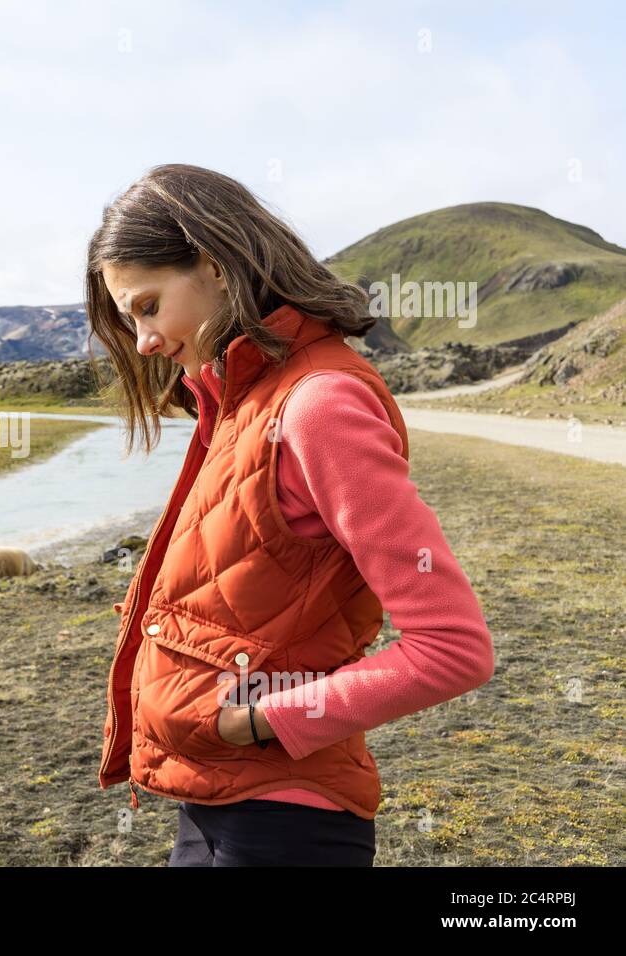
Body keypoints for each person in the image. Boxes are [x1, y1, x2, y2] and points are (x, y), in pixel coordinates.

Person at [89, 164, 495, 866]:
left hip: (285, 823)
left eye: (148, 307)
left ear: (214, 266)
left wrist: (255, 723)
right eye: (130, 321)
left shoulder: (317, 406)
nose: (144, 341)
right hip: (212, 802)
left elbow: (453, 648)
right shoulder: (239, 403)